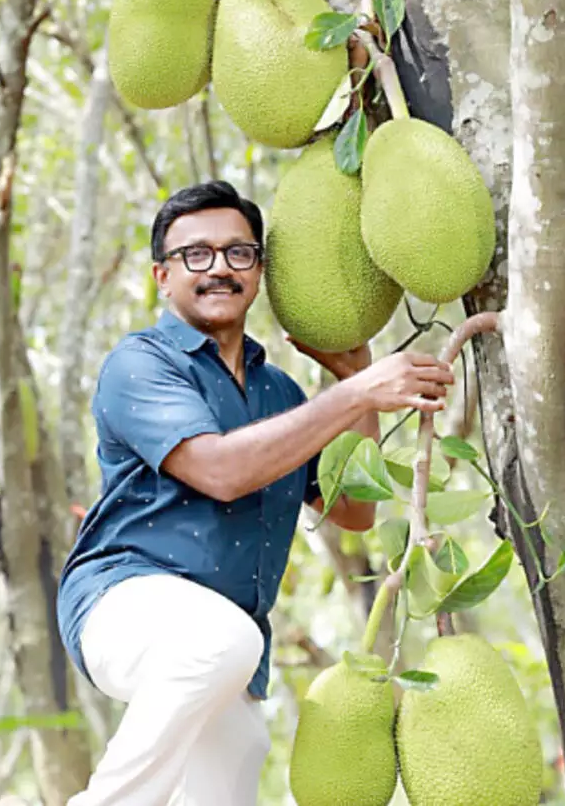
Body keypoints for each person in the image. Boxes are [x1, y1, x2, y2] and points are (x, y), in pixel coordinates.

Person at [56, 181, 456, 806]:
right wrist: (357, 394)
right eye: (196, 255)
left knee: (233, 774)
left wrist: (352, 380)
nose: (219, 267)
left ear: (259, 272)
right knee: (221, 640)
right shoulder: (140, 364)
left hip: (229, 648)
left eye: (238, 253)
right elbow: (219, 471)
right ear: (163, 275)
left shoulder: (280, 395)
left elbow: (353, 510)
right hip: (122, 603)